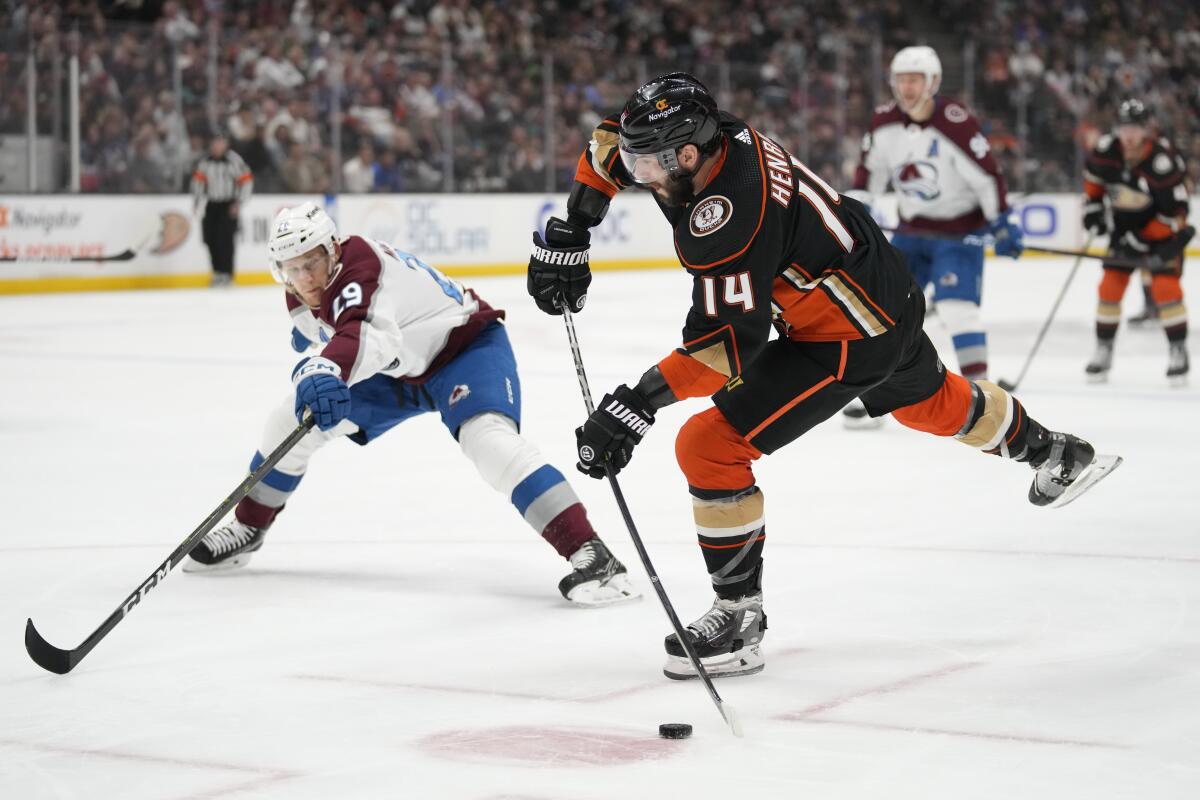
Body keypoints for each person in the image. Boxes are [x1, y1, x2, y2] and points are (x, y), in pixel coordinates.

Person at [527, 73, 1120, 679]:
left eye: (649, 164)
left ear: (686, 155)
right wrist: (576, 227)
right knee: (929, 402)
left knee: (708, 444)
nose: (636, 173)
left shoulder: (728, 214)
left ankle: (738, 614)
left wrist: (636, 405)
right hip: (876, 279)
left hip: (849, 330)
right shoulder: (708, 141)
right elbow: (606, 146)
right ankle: (1053, 451)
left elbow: (723, 350)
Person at [183, 202, 640, 609]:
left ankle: (592, 553)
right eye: (292, 269)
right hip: (399, 371)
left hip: (464, 350)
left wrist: (320, 369)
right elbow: (336, 333)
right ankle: (248, 528)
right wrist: (318, 353)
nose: (304, 278)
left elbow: (367, 340)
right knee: (289, 421)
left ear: (333, 249)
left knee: (490, 443)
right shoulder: (303, 291)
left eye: (312, 262)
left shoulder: (360, 270)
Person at [842, 46, 1024, 428]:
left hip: (958, 232)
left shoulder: (956, 122)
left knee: (958, 310)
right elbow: (869, 173)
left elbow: (987, 176)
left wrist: (1001, 221)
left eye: (915, 79)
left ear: (933, 83)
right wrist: (858, 211)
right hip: (911, 230)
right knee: (882, 308)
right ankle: (877, 391)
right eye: (901, 80)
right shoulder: (883, 122)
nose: (907, 88)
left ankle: (982, 393)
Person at [1081, 98, 1191, 386]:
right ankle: (1103, 349)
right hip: (1123, 231)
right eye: (1123, 127)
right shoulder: (1106, 151)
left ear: (1147, 130)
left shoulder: (1162, 161)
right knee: (1109, 288)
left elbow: (1175, 214)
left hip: (1162, 238)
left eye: (1135, 128)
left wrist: (1140, 240)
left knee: (1166, 291)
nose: (1128, 135)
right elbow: (1093, 180)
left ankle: (1178, 350)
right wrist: (1093, 210)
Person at [191, 134, 252, 287]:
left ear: (225, 144)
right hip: (211, 204)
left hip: (228, 204)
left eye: (220, 143)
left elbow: (246, 181)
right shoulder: (205, 162)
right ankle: (217, 272)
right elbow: (198, 182)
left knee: (226, 240)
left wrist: (239, 202)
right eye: (214, 143)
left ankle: (227, 273)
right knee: (211, 239)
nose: (216, 146)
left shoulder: (234, 160)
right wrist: (197, 201)